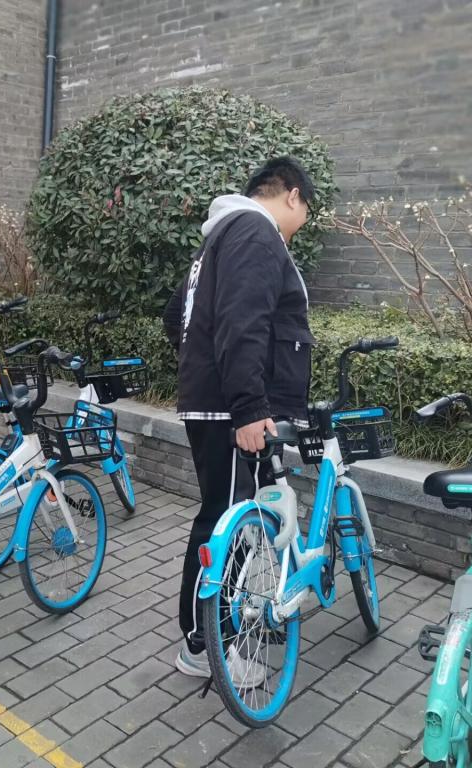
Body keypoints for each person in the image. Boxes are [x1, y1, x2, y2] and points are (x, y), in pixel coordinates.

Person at [162, 156, 315, 684]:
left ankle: (222, 622)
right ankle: (203, 646)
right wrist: (249, 407)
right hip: (232, 409)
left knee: (231, 517)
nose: (300, 226)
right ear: (292, 195)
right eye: (305, 213)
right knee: (223, 520)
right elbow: (243, 321)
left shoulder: (221, 235)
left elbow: (176, 316)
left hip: (217, 400)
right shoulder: (255, 231)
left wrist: (203, 366)